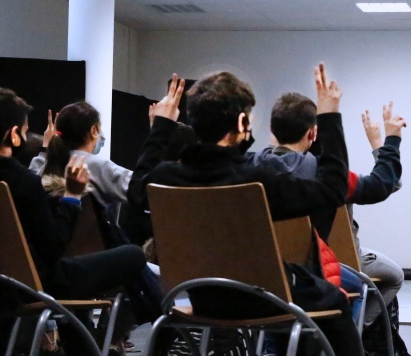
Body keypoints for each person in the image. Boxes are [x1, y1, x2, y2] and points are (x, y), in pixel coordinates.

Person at [128, 65, 363, 356]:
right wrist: (329, 118)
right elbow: (332, 190)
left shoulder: (165, 177)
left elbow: (136, 190)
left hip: (198, 296)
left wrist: (161, 127)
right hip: (262, 298)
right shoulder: (256, 180)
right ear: (242, 122)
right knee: (336, 300)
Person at [0, 86, 146, 353]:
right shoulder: (21, 182)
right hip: (35, 283)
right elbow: (53, 247)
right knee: (133, 255)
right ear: (13, 135)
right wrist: (72, 196)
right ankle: (125, 334)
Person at [248, 94, 406, 347]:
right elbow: (383, 184)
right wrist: (390, 141)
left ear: (272, 130)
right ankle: (343, 342)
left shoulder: (247, 168)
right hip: (310, 276)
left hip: (253, 276)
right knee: (358, 287)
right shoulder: (329, 177)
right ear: (313, 134)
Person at [31, 103, 133, 207]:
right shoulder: (98, 168)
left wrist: (46, 148)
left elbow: (30, 178)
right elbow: (142, 189)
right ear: (93, 131)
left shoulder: (44, 168)